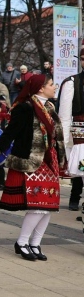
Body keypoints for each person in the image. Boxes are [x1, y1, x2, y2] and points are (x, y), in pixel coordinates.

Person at [0, 75, 63, 261]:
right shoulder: (25, 108)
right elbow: (9, 133)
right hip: (32, 161)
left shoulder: (50, 107)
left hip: (49, 161)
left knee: (49, 206)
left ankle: (35, 243)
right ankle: (22, 242)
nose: (55, 87)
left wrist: (62, 160)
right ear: (40, 88)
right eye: (51, 84)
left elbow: (57, 137)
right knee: (38, 206)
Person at [58, 61, 84, 212]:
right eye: (82, 58)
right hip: (80, 136)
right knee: (81, 168)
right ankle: (75, 197)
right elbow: (65, 115)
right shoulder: (72, 82)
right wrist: (63, 140)